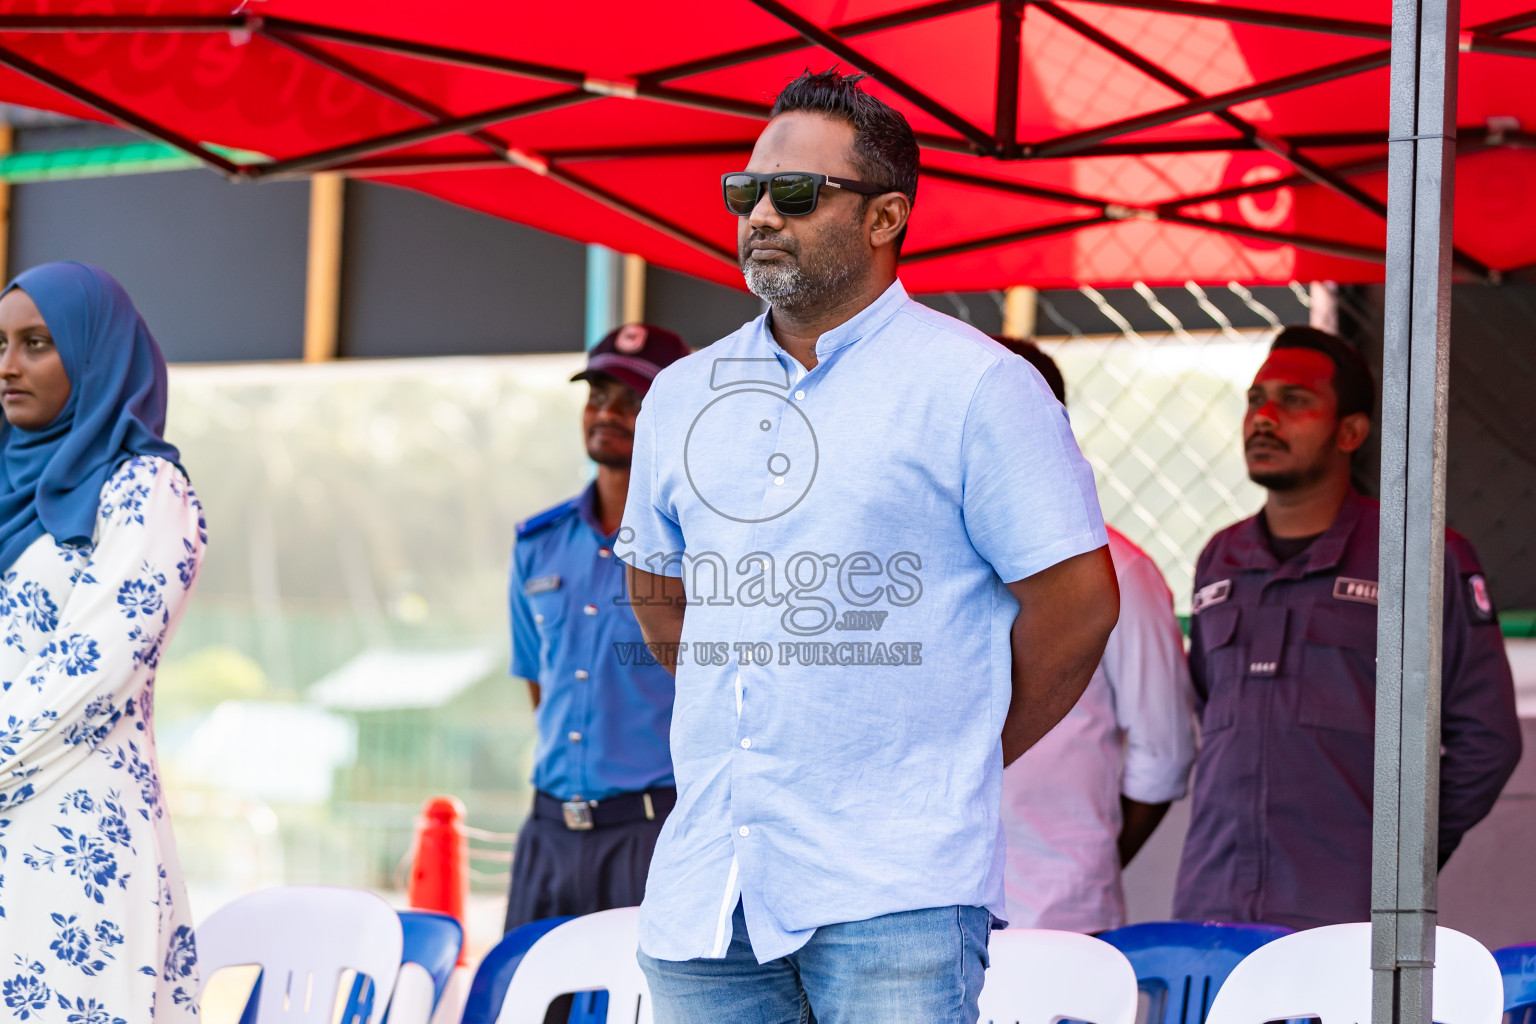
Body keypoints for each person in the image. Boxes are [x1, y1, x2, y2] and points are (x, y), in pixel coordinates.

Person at [618, 70, 1119, 1024]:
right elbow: (658, 587)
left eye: (796, 193)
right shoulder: (682, 395)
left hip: (898, 891)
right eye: (746, 191)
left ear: (886, 216)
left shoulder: (978, 387)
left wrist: (953, 752)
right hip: (707, 892)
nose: (761, 214)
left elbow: (1079, 607)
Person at [1174, 325, 1522, 929]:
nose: (1265, 417)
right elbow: (1208, 708)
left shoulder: (1420, 555)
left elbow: (1486, 739)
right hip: (1213, 910)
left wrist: (1398, 860)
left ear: (1352, 432)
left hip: (1347, 915)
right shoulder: (1217, 558)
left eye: (1296, 400)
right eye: (1257, 399)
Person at [0, 262, 206, 1021]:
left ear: (95, 354)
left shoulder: (146, 490)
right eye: (1, 344)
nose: (8, 366)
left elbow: (89, 671)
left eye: (38, 343)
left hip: (74, 843)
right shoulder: (2, 489)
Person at [996, 340, 1196, 933]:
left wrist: (1085, 870)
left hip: (1057, 923)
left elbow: (1162, 760)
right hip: (919, 920)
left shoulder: (1120, 574)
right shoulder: (920, 569)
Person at [503, 323, 691, 939]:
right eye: (598, 394)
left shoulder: (701, 547)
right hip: (548, 833)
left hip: (652, 833)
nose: (607, 413)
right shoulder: (538, 543)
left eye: (633, 401)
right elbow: (538, 684)